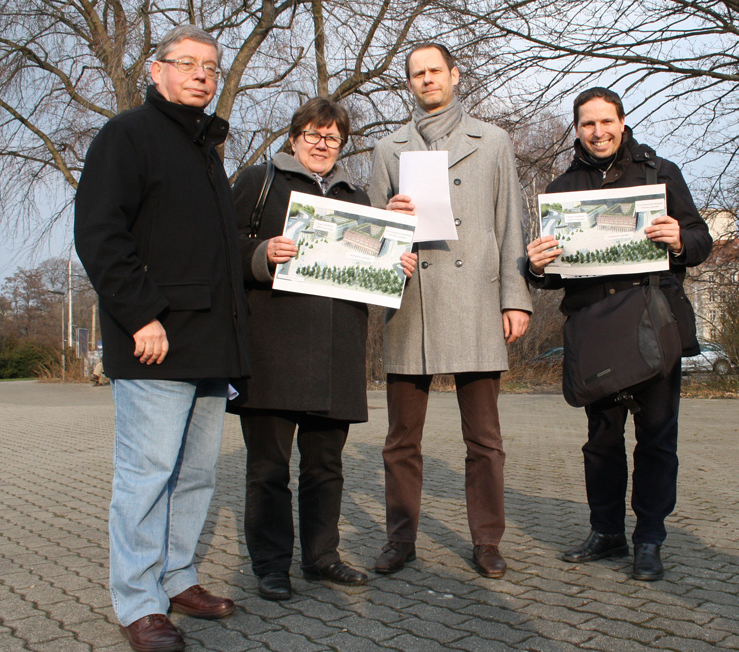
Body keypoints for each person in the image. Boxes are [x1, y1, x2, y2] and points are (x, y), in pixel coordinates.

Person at [74, 25, 250, 652]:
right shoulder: (127, 135)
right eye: (188, 64)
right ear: (156, 71)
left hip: (209, 345)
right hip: (155, 340)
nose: (202, 74)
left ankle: (177, 578)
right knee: (147, 477)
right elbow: (100, 234)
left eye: (211, 66)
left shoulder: (206, 148)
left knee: (195, 475)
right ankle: (139, 601)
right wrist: (141, 315)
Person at [229, 98, 417, 601]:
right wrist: (261, 254)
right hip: (272, 350)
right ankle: (271, 566)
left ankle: (321, 558)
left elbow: (371, 260)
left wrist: (393, 268)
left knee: (325, 467)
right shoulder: (257, 182)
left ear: (341, 145)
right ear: (293, 138)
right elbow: (219, 249)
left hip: (336, 349)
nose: (321, 144)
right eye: (312, 134)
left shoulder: (356, 197)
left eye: (331, 138)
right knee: (268, 470)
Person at [526, 87, 712, 581]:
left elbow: (700, 240)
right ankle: (606, 531)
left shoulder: (659, 174)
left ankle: (649, 538)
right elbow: (553, 272)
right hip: (594, 328)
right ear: (578, 129)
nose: (598, 132)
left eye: (606, 122)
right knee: (602, 441)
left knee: (656, 439)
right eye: (587, 124)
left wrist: (678, 240)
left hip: (653, 324)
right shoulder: (563, 188)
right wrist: (535, 265)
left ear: (623, 123)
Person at [368, 43, 533, 579]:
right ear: (409, 83)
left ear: (455, 75)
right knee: (400, 439)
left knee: (484, 438)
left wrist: (515, 297)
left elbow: (510, 223)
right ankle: (400, 540)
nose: (426, 80)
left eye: (434, 71)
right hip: (413, 300)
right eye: (417, 74)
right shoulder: (387, 148)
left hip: (475, 298)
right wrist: (387, 220)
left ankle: (487, 540)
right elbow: (372, 235)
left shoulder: (493, 141)